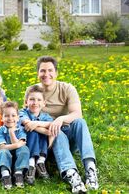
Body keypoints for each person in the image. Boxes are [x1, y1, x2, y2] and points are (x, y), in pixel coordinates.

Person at [27, 56, 99, 193]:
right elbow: (29, 119)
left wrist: (60, 120)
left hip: (68, 134)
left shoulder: (67, 88)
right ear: (37, 73)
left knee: (80, 122)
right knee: (56, 131)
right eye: (42, 71)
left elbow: (77, 113)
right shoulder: (32, 91)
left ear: (56, 73)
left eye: (50, 70)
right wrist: (52, 126)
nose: (46, 74)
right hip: (46, 141)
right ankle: (72, 174)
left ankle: (91, 169)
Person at [19, 84, 55, 185]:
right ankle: (31, 164)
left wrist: (37, 124)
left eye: (39, 100)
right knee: (33, 131)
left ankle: (40, 162)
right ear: (26, 102)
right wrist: (45, 130)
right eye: (32, 99)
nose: (35, 103)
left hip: (43, 147)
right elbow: (28, 123)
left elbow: (52, 127)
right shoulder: (22, 112)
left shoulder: (45, 116)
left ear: (44, 103)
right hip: (26, 143)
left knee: (39, 132)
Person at [0, 101, 30, 190]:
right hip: (5, 158)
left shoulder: (21, 130)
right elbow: (2, 147)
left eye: (13, 115)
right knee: (3, 152)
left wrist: (11, 132)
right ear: (1, 118)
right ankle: (5, 175)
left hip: (19, 158)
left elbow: (21, 145)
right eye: (6, 116)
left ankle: (19, 174)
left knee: (24, 149)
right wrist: (17, 144)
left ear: (18, 118)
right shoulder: (0, 130)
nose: (10, 118)